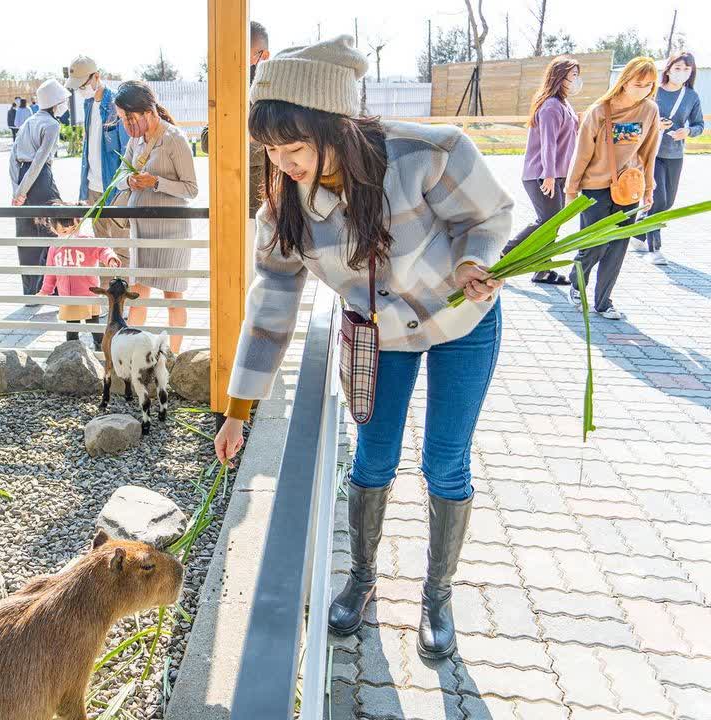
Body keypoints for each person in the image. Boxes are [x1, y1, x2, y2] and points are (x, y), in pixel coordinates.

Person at [212, 36, 513, 661]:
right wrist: (238, 410)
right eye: (270, 151)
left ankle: (437, 593)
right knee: (373, 459)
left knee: (445, 462)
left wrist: (473, 262)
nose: (283, 164)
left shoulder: (427, 153)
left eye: (293, 148)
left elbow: (486, 218)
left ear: (336, 125)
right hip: (381, 335)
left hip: (462, 320)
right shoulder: (285, 211)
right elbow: (270, 311)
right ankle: (364, 577)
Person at [565, 56, 661, 320]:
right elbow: (581, 153)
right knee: (595, 244)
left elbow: (649, 152)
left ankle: (604, 301)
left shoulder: (650, 111)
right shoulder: (600, 110)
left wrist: (649, 189)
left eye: (649, 85)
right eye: (639, 83)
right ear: (625, 80)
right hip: (595, 188)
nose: (643, 89)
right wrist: (571, 191)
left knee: (618, 245)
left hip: (629, 187)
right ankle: (576, 281)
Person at [113, 81, 198, 353]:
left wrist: (156, 182)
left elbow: (191, 189)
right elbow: (117, 179)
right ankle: (133, 354)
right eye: (122, 118)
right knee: (138, 294)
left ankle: (172, 357)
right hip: (141, 229)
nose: (126, 123)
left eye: (129, 117)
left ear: (147, 111)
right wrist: (129, 180)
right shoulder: (135, 140)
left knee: (173, 295)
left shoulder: (174, 139)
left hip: (171, 231)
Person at [200, 20, 270, 287]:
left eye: (244, 56)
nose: (237, 64)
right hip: (228, 205)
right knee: (232, 287)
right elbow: (207, 141)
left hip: (263, 206)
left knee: (261, 286)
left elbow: (270, 148)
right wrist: (248, 136)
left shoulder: (274, 95)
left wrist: (232, 138)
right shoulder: (225, 90)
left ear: (262, 55)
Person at [501, 56, 581, 285]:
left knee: (552, 223)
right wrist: (549, 174)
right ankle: (503, 253)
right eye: (573, 75)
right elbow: (549, 143)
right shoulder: (550, 106)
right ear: (560, 77)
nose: (576, 80)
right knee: (547, 221)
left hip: (558, 174)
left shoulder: (564, 104)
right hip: (542, 174)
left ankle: (542, 270)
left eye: (577, 75)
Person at [65, 55, 132, 267]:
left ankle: (121, 296)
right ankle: (106, 297)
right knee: (101, 248)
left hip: (114, 188)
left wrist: (124, 188)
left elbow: (127, 150)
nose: (81, 90)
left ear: (97, 77)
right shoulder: (87, 104)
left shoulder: (116, 104)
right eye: (77, 87)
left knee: (121, 249)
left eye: (83, 84)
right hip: (93, 188)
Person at [637, 52, 704, 265]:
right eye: (678, 68)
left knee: (668, 203)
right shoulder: (653, 91)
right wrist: (654, 126)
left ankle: (637, 231)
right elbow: (637, 119)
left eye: (687, 69)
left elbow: (699, 124)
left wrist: (688, 132)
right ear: (668, 68)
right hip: (652, 153)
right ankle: (654, 249)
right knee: (659, 199)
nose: (682, 73)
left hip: (675, 154)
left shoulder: (691, 96)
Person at [9, 79, 71, 295]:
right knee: (54, 234)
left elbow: (13, 157)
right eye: (63, 101)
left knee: (26, 237)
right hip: (41, 179)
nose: (65, 105)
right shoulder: (52, 125)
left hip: (22, 177)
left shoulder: (29, 121)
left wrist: (17, 190)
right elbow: (39, 161)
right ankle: (53, 290)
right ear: (56, 102)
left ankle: (30, 292)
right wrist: (22, 191)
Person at [35, 203, 122, 349]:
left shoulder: (86, 240)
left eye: (73, 228)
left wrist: (110, 258)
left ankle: (101, 348)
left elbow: (102, 249)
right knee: (72, 329)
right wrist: (45, 291)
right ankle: (71, 353)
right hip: (68, 297)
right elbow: (50, 272)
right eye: (64, 230)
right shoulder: (54, 248)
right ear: (53, 229)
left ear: (79, 222)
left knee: (94, 326)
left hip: (89, 293)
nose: (70, 234)